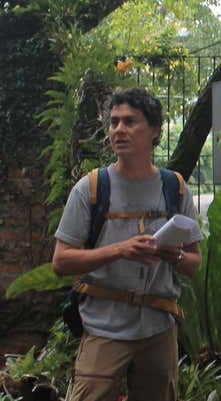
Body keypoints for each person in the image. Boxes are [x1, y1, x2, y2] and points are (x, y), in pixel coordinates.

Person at [52, 88, 202, 401]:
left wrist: (172, 256)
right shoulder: (91, 188)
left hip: (159, 329)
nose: (119, 130)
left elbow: (194, 264)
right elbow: (61, 262)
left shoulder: (174, 188)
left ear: (154, 131)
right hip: (103, 328)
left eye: (130, 122)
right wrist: (120, 250)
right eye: (114, 122)